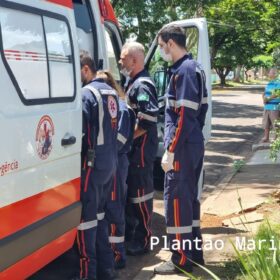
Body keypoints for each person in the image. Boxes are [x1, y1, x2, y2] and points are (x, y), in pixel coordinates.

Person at [154, 25, 208, 274]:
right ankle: (194, 254)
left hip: (183, 148)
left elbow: (184, 115)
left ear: (170, 43)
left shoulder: (184, 71)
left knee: (176, 201)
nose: (162, 50)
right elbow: (200, 112)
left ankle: (181, 259)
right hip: (191, 144)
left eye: (162, 46)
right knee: (188, 201)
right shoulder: (192, 68)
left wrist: (172, 149)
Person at [75, 53, 119, 280]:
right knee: (101, 218)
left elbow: (78, 131)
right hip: (110, 164)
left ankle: (87, 274)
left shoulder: (86, 94)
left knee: (86, 222)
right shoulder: (111, 91)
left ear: (85, 69)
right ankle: (106, 269)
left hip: (92, 165)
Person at [119, 42, 159, 255]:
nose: (120, 61)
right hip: (133, 150)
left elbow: (148, 120)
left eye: (123, 57)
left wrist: (126, 138)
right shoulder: (132, 82)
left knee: (140, 194)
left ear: (134, 60)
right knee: (132, 194)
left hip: (141, 150)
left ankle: (144, 240)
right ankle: (134, 233)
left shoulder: (142, 85)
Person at [96, 70, 136, 269]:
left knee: (114, 208)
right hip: (111, 162)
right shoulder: (111, 107)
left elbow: (119, 139)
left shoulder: (121, 108)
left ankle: (117, 255)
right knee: (106, 208)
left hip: (116, 162)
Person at [261, 68, 280, 143]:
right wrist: (264, 99)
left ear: (275, 74)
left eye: (270, 73)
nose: (269, 74)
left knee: (275, 123)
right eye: (269, 72)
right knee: (266, 123)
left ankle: (277, 138)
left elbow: (276, 93)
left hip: (274, 106)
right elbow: (264, 93)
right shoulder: (269, 83)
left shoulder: (278, 82)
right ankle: (266, 137)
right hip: (267, 106)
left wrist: (268, 99)